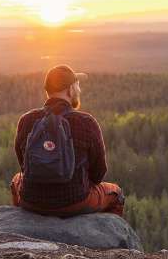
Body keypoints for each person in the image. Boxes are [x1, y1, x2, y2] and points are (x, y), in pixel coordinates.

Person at [11, 65, 124, 217]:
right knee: (116, 193)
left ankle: (23, 222)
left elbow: (24, 167)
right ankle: (109, 232)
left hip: (31, 201)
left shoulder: (27, 120)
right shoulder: (86, 122)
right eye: (78, 85)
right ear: (70, 90)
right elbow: (98, 174)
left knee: (16, 180)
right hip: (75, 202)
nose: (79, 90)